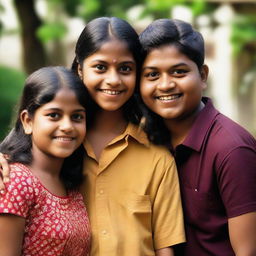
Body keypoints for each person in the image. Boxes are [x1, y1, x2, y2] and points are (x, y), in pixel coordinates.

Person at [0, 17, 185, 256]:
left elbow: (164, 247)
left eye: (125, 69)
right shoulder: (61, 147)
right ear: (80, 68)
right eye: (100, 67)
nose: (113, 79)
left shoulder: (157, 158)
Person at [139, 18, 256, 256]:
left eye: (179, 72)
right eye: (152, 75)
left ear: (202, 75)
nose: (165, 84)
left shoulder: (232, 149)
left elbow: (248, 251)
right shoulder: (147, 141)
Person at [0, 66, 91, 256]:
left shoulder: (71, 185)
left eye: (77, 117)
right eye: (54, 115)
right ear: (27, 121)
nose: (67, 126)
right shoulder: (15, 181)